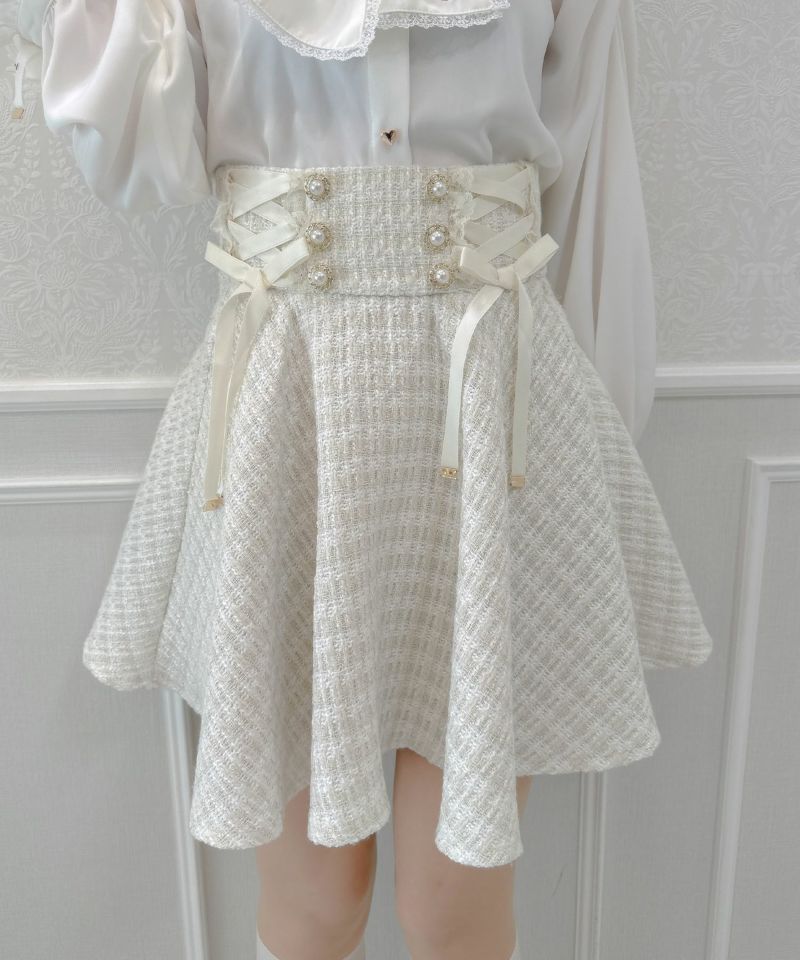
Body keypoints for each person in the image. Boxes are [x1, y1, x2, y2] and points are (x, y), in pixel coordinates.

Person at [10, 1, 714, 958]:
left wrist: (590, 455)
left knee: (453, 904)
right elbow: (142, 163)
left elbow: (593, 175)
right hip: (290, 414)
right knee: (315, 901)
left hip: (497, 417)